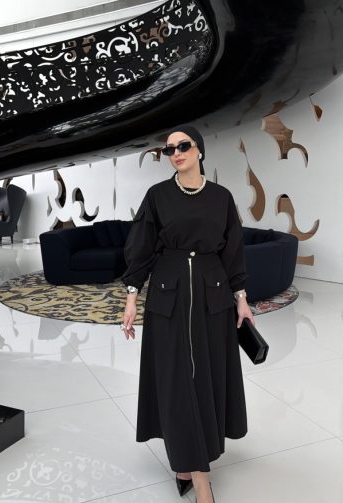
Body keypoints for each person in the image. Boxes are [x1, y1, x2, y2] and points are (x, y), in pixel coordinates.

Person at [120, 124, 255, 503]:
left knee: (206, 379)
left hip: (214, 295)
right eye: (169, 149)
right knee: (177, 380)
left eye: (183, 146)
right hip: (169, 295)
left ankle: (186, 463)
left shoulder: (221, 197)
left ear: (199, 150)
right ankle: (200, 478)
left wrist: (241, 297)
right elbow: (141, 247)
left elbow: (233, 251)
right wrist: (131, 296)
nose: (175, 153)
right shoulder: (158, 196)